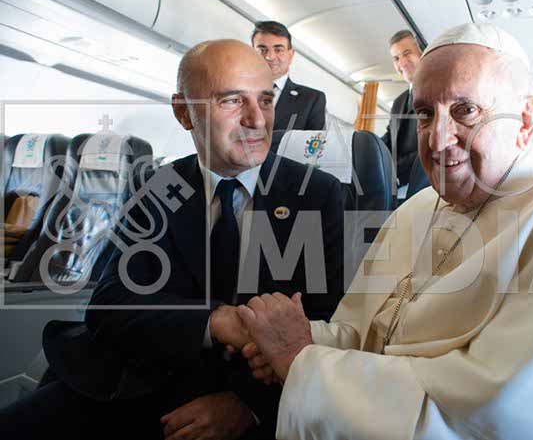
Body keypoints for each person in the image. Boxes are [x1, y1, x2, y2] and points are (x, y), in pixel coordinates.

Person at [236, 24, 533, 440]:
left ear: (525, 120)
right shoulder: (416, 210)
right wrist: (302, 340)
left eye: (465, 110)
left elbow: (490, 419)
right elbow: (366, 337)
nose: (437, 139)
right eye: (424, 114)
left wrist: (303, 362)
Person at [0, 39, 344, 440]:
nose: (257, 120)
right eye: (233, 101)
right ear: (183, 112)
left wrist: (249, 406)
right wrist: (216, 321)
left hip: (254, 396)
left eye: (265, 101)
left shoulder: (315, 193)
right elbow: (111, 305)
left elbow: (328, 327)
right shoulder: (158, 185)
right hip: (132, 382)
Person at [251, 21, 327, 152]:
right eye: (262, 50)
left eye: (278, 50)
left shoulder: (312, 99)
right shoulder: (234, 90)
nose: (269, 56)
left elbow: (312, 151)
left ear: (290, 55)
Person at [382, 30, 422, 188]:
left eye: (407, 53)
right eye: (396, 58)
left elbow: (434, 145)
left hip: (425, 183)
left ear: (422, 53)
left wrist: (396, 173)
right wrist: (364, 146)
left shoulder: (438, 92)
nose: (402, 62)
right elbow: (390, 138)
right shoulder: (398, 102)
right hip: (397, 185)